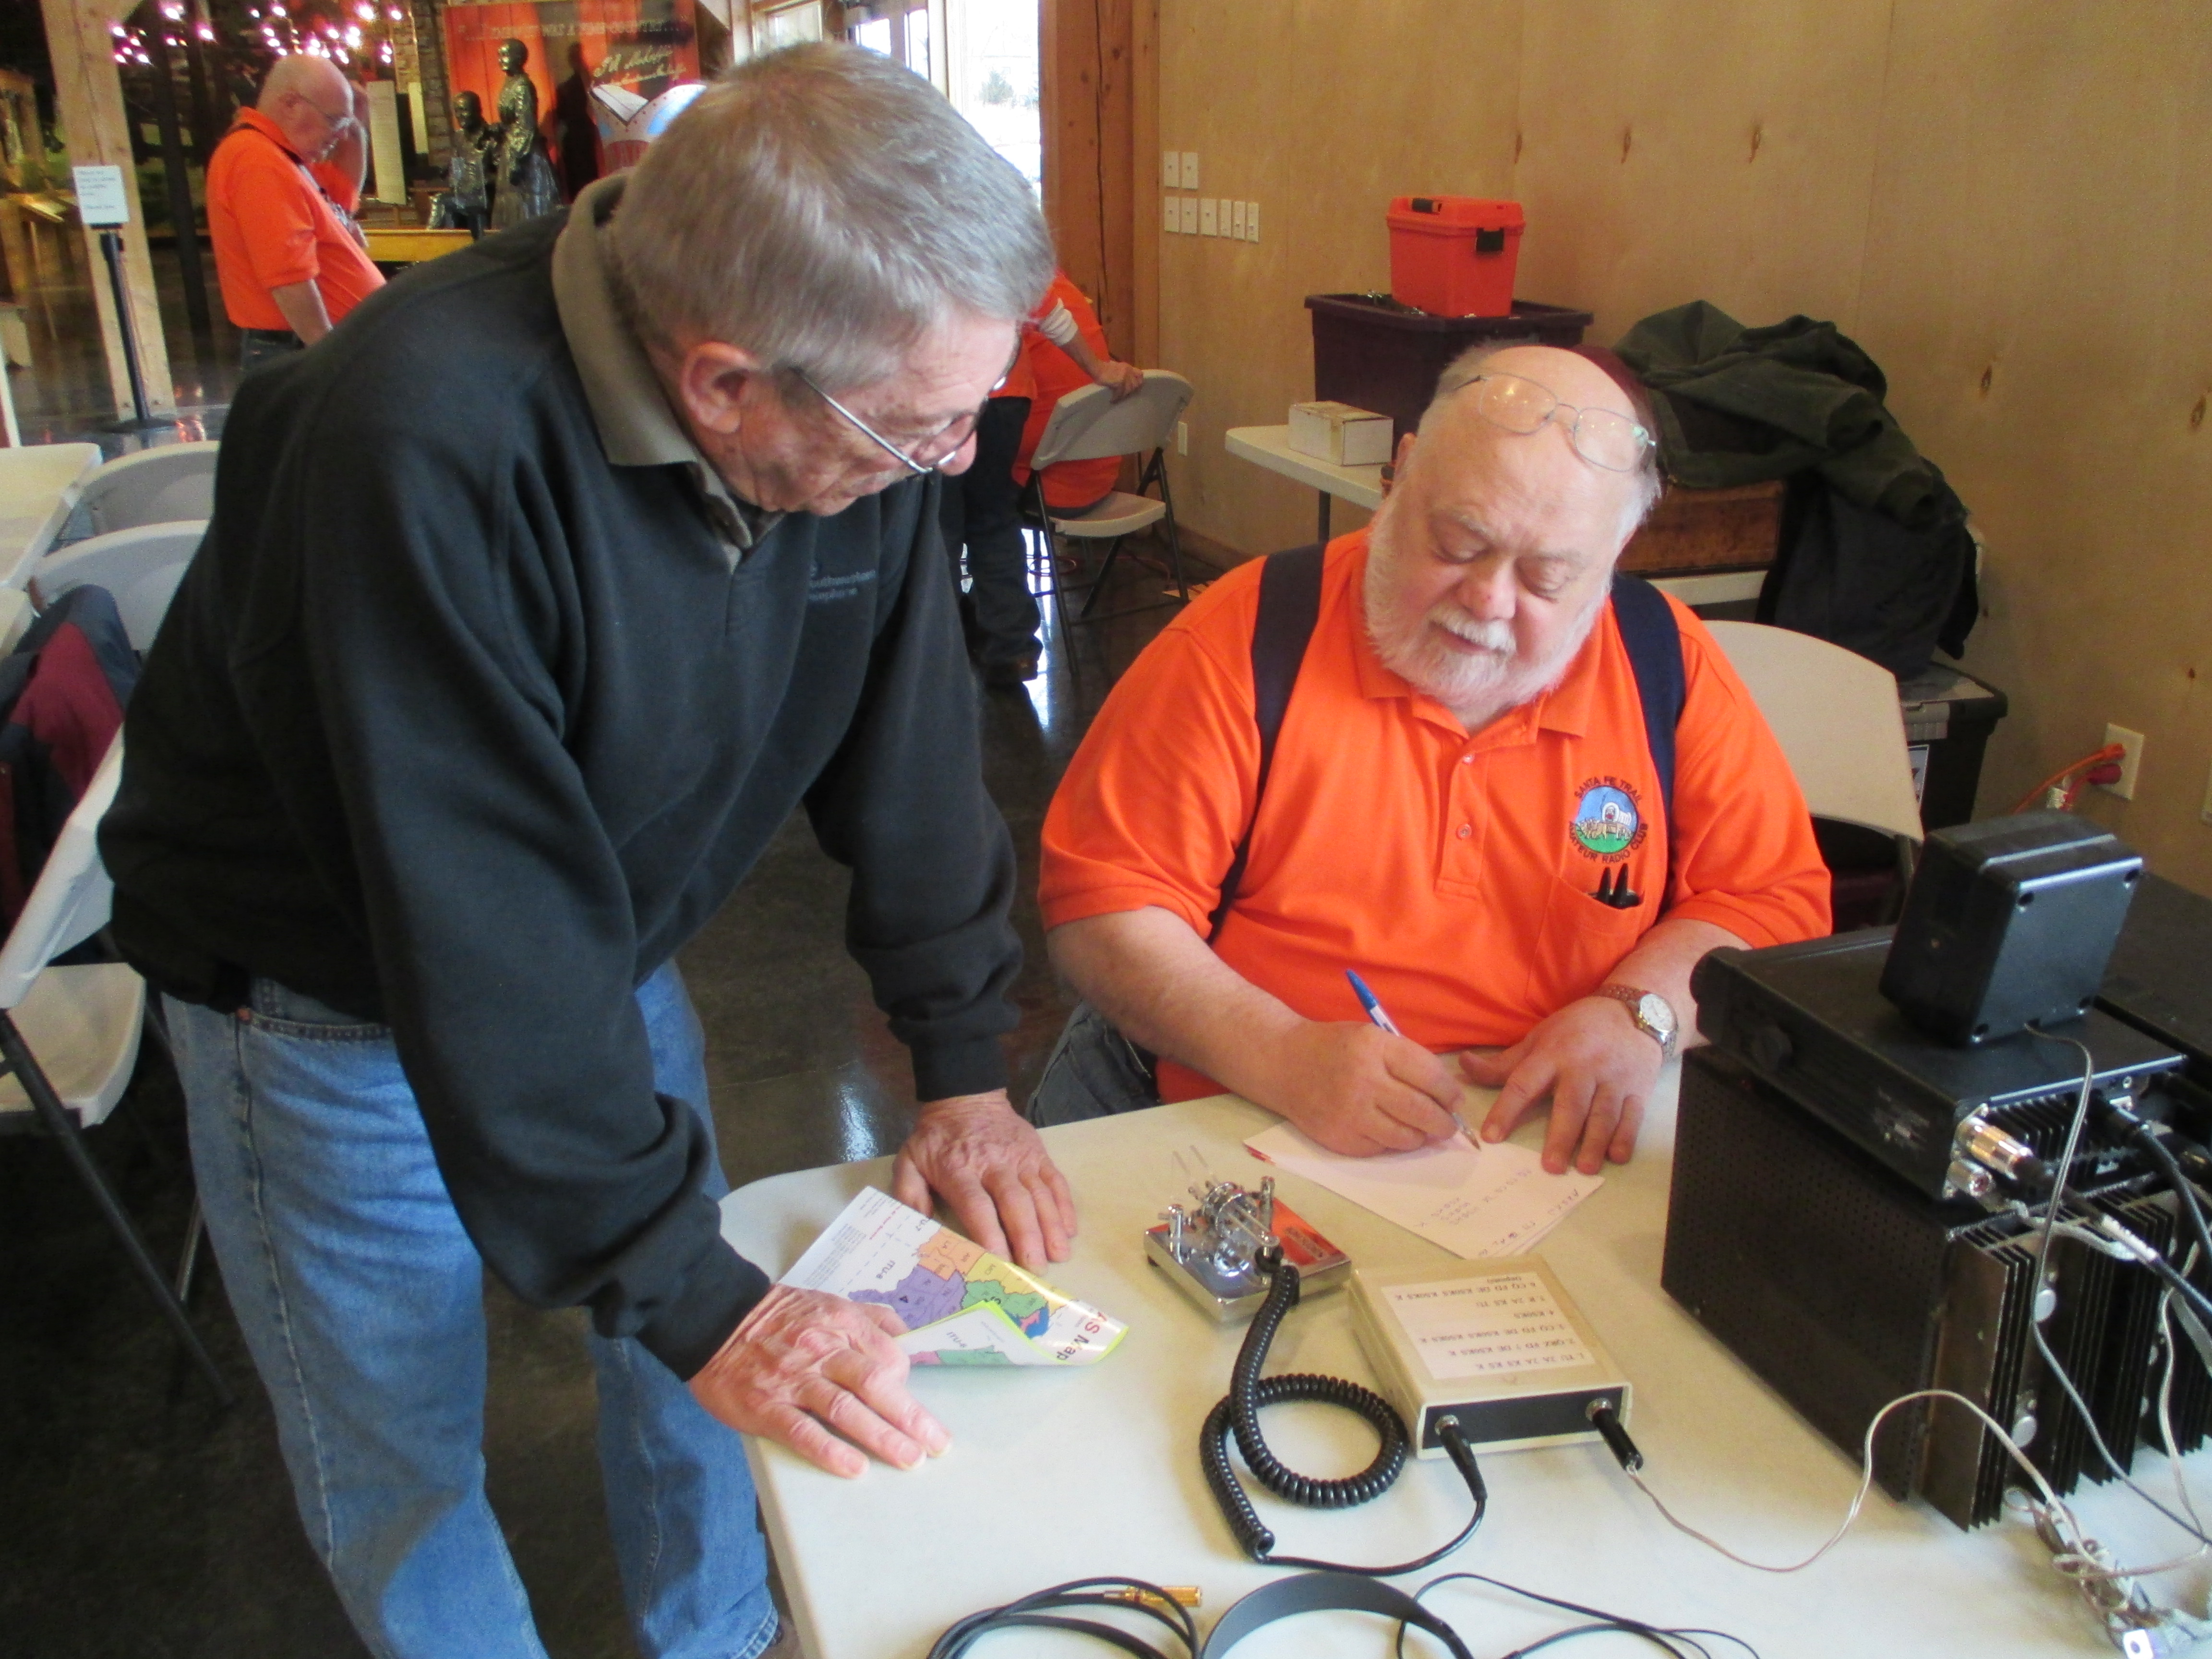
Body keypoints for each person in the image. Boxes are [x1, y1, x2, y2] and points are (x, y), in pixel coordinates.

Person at [103, 44, 1072, 1659]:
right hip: (322, 992)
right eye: (924, 429)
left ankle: (720, 1636)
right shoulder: (414, 438)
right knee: (405, 1442)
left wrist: (959, 1063)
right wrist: (692, 1295)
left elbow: (907, 745)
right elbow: (477, 917)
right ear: (722, 384)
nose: (956, 460)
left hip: (598, 930)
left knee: (702, 1349)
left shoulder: (869, 394)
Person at [1033, 343, 1831, 1176]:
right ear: (1400, 475)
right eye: (1457, 542)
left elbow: (1771, 898)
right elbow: (1102, 911)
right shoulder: (1248, 640)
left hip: (1534, 1152)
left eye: (1547, 578)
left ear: (1614, 557)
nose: (1488, 599)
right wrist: (1281, 1052)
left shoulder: (1662, 661)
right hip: (1239, 1113)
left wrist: (1639, 1014)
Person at [940, 270, 1141, 686]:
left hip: (944, 395)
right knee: (993, 520)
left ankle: (934, 653)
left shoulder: (917, 244)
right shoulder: (1009, 251)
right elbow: (1052, 314)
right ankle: (1011, 650)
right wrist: (1098, 369)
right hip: (1006, 396)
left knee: (940, 528)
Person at [206, 55, 384, 371]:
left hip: (307, 346)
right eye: (334, 121)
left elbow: (343, 193)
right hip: (298, 349)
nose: (341, 135)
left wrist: (354, 125)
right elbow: (289, 279)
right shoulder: (257, 160)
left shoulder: (284, 157)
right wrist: (329, 358)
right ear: (291, 104)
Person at [489, 37, 565, 229]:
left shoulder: (522, 86)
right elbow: (512, 120)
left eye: (506, 55)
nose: (501, 60)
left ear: (519, 57)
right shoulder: (510, 83)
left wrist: (517, 157)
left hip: (525, 154)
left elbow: (526, 124)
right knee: (513, 205)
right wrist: (500, 128)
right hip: (511, 146)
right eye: (500, 55)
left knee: (529, 205)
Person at [427, 89, 497, 237]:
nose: (460, 115)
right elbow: (456, 169)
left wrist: (483, 179)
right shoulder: (459, 138)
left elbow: (505, 177)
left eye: (465, 110)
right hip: (463, 196)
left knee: (441, 201)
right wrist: (452, 176)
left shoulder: (492, 139)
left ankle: (430, 240)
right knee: (444, 203)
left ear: (478, 110)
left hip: (485, 198)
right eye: (457, 111)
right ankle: (444, 243)